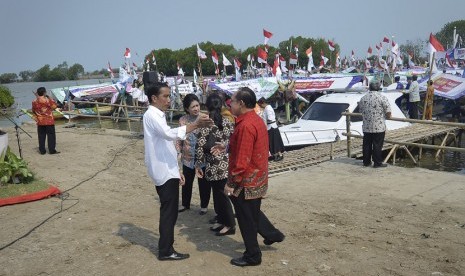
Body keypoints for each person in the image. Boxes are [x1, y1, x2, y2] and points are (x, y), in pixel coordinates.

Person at [215, 87, 285, 267]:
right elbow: (244, 147)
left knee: (246, 218)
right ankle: (272, 234)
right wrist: (227, 146)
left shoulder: (245, 125)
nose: (230, 103)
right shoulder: (254, 119)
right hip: (258, 177)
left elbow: (242, 159)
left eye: (233, 100)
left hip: (247, 180)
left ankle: (253, 255)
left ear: (242, 103)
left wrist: (231, 182)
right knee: (251, 212)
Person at [143, 82, 212, 261]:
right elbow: (169, 135)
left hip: (168, 168)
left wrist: (176, 169)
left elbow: (168, 144)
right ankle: (165, 250)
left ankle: (167, 247)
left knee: (171, 211)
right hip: (162, 170)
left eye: (169, 95)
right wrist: (195, 125)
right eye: (165, 96)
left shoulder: (159, 115)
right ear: (154, 98)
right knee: (169, 212)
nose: (168, 100)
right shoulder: (152, 115)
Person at [195, 93, 236, 236]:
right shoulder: (229, 121)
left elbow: (199, 145)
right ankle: (222, 221)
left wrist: (198, 165)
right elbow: (233, 141)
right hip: (226, 163)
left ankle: (230, 224)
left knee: (221, 197)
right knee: (220, 196)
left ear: (207, 106)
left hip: (213, 165)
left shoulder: (206, 123)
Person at [176, 94, 210, 215]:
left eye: (197, 105)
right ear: (187, 109)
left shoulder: (205, 118)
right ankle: (185, 203)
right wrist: (178, 151)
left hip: (202, 157)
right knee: (187, 181)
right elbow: (179, 138)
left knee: (204, 183)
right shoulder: (182, 120)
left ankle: (204, 206)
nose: (196, 108)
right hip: (187, 157)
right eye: (193, 107)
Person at [358, 80, 391, 168]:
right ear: (378, 88)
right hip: (378, 126)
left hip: (367, 126)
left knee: (367, 145)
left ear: (369, 87)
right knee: (377, 145)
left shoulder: (363, 98)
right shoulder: (382, 97)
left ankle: (366, 162)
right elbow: (388, 113)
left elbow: (360, 110)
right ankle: (377, 163)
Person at [31, 87, 59, 155]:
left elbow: (33, 110)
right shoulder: (47, 100)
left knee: (41, 136)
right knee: (51, 136)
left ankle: (42, 151)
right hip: (49, 120)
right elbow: (55, 106)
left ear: (37, 93)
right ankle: (52, 150)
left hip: (40, 121)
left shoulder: (34, 101)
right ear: (44, 92)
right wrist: (49, 98)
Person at [257, 97, 284, 161]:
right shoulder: (267, 108)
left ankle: (279, 155)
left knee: (274, 142)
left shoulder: (268, 108)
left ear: (263, 103)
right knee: (273, 142)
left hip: (271, 127)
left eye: (260, 105)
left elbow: (270, 118)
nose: (260, 106)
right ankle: (276, 154)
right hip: (271, 127)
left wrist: (263, 121)